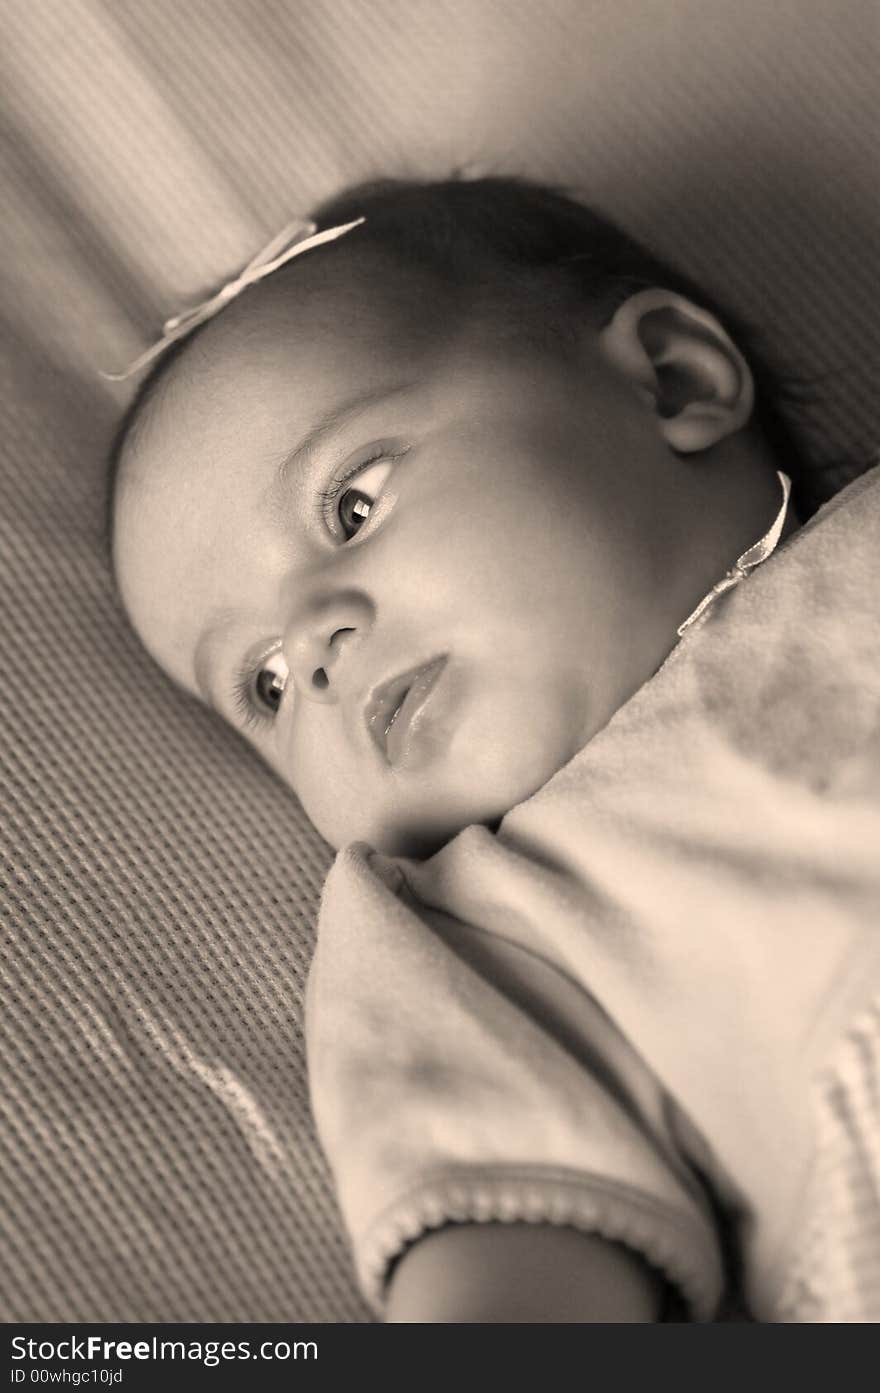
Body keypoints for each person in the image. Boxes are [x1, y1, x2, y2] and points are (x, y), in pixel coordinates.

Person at [108, 176, 880, 1321]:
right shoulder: (463, 931)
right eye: (263, 681)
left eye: (351, 508)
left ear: (673, 380)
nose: (316, 649)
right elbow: (506, 1275)